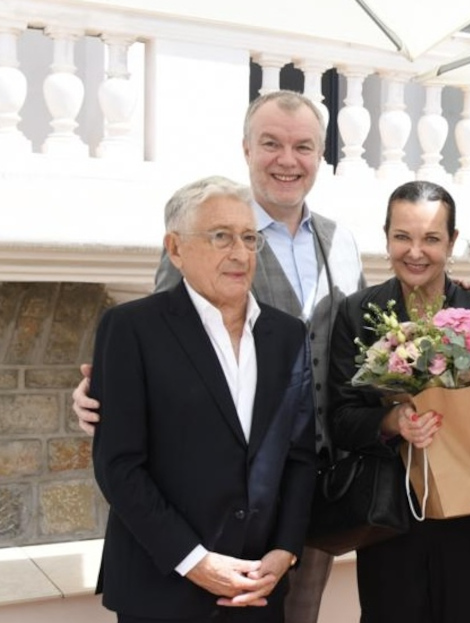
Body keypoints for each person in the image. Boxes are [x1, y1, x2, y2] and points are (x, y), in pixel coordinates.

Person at [74, 89, 365, 623]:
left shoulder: (341, 241)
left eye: (303, 146)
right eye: (271, 143)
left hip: (306, 502)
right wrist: (100, 398)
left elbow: (351, 361)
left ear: (319, 156)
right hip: (191, 529)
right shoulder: (199, 223)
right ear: (247, 149)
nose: (287, 159)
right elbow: (163, 344)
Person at [91, 176, 315, 623]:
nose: (240, 253)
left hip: (258, 590)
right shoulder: (131, 329)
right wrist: (196, 562)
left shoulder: (288, 334)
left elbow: (300, 456)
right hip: (164, 588)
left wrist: (284, 550)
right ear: (175, 249)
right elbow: (119, 466)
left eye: (249, 238)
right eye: (220, 237)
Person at [326, 180, 470, 623]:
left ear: (451, 241)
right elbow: (340, 416)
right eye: (402, 237)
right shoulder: (358, 314)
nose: (415, 251)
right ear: (386, 236)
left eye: (431, 238)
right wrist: (392, 421)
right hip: (391, 516)